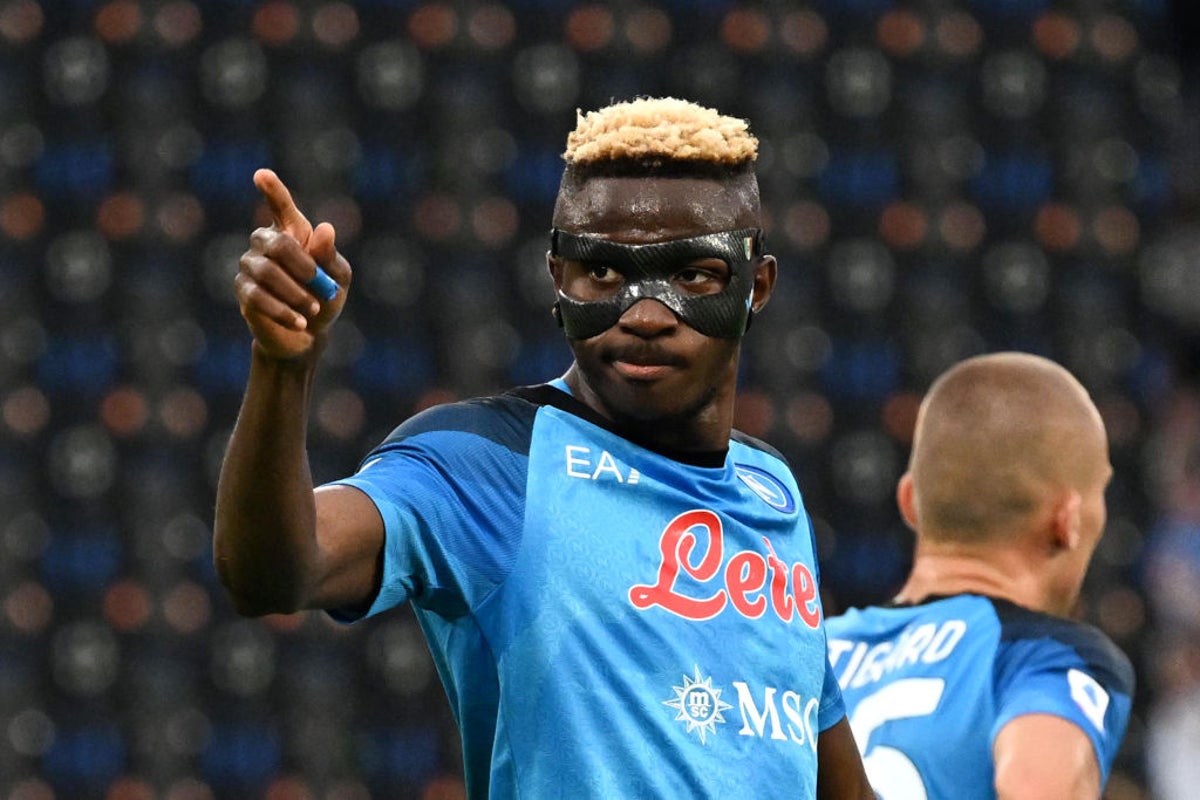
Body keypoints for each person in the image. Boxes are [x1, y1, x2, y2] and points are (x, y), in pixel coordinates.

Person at [213, 97, 874, 799]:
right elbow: (273, 575)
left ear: (756, 287)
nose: (646, 315)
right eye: (604, 274)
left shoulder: (772, 488)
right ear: (558, 278)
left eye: (692, 276)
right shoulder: (487, 462)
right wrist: (283, 368)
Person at [824, 352, 1134, 800]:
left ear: (911, 502)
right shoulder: (1045, 658)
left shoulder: (812, 655)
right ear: (1068, 521)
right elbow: (1036, 788)